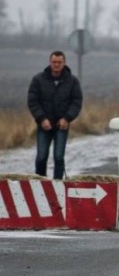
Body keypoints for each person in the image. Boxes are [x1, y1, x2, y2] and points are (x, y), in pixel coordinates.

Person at [27, 51, 83, 180]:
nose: (56, 65)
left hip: (61, 125)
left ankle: (58, 184)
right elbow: (33, 101)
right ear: (50, 62)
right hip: (44, 125)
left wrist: (67, 118)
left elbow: (76, 102)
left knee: (58, 157)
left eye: (59, 62)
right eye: (54, 62)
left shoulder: (72, 81)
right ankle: (40, 183)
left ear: (64, 63)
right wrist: (42, 119)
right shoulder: (38, 79)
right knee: (41, 157)